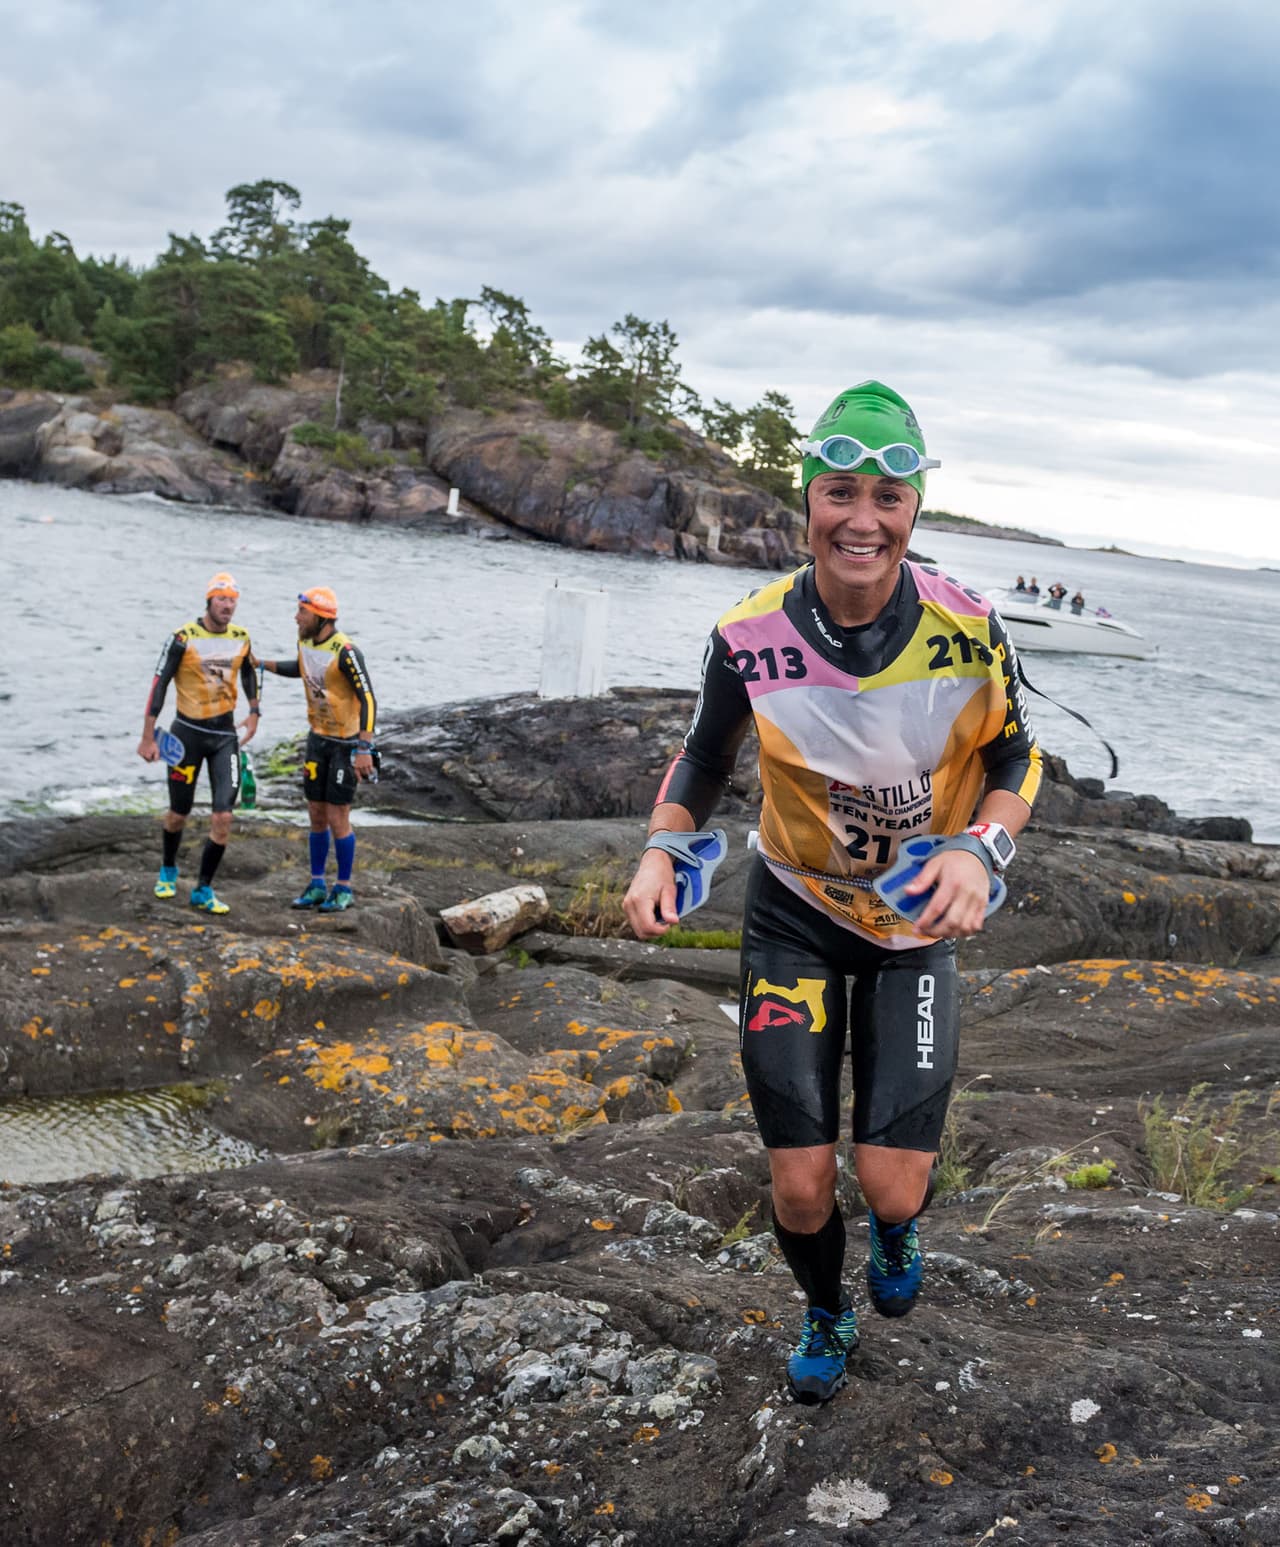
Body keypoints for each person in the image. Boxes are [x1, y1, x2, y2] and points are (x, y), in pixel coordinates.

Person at [623, 381, 1042, 1406]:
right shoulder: (747, 635)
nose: (862, 518)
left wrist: (979, 851)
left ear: (912, 512)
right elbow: (700, 756)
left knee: (890, 1177)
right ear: (806, 498)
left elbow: (1019, 758)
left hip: (909, 928)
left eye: (887, 498)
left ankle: (896, 1230)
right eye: (839, 491)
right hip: (794, 914)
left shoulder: (970, 629)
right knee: (801, 1179)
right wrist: (660, 849)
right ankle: (824, 1306)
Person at [137, 572, 259, 914]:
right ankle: (168, 868)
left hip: (224, 737)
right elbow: (159, 685)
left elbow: (249, 672)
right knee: (179, 813)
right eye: (222, 599)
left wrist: (254, 711)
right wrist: (148, 736)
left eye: (233, 600)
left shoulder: (242, 637)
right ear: (209, 601)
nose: (228, 605)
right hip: (186, 734)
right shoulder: (182, 638)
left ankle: (203, 889)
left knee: (223, 816)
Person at [257, 587, 377, 912]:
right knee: (315, 813)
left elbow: (367, 699)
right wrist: (260, 663)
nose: (296, 617)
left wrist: (364, 747)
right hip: (317, 739)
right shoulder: (306, 641)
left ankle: (344, 887)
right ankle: (316, 883)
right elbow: (301, 668)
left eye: (302, 612)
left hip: (345, 744)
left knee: (338, 816)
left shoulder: (347, 651)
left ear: (321, 617)